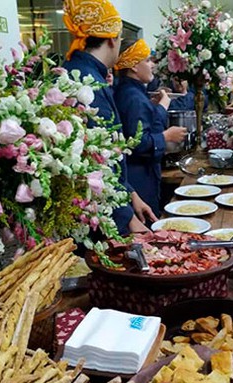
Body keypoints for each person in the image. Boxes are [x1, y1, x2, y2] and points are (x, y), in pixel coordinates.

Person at [62, 0, 153, 234]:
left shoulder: (74, 71)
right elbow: (98, 164)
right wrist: (128, 219)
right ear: (112, 39)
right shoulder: (88, 83)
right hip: (96, 215)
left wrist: (131, 194)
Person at [113, 38, 187, 217]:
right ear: (134, 67)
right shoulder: (133, 97)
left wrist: (155, 107)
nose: (152, 65)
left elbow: (142, 123)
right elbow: (138, 143)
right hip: (139, 177)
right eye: (146, 60)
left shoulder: (130, 92)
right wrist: (167, 136)